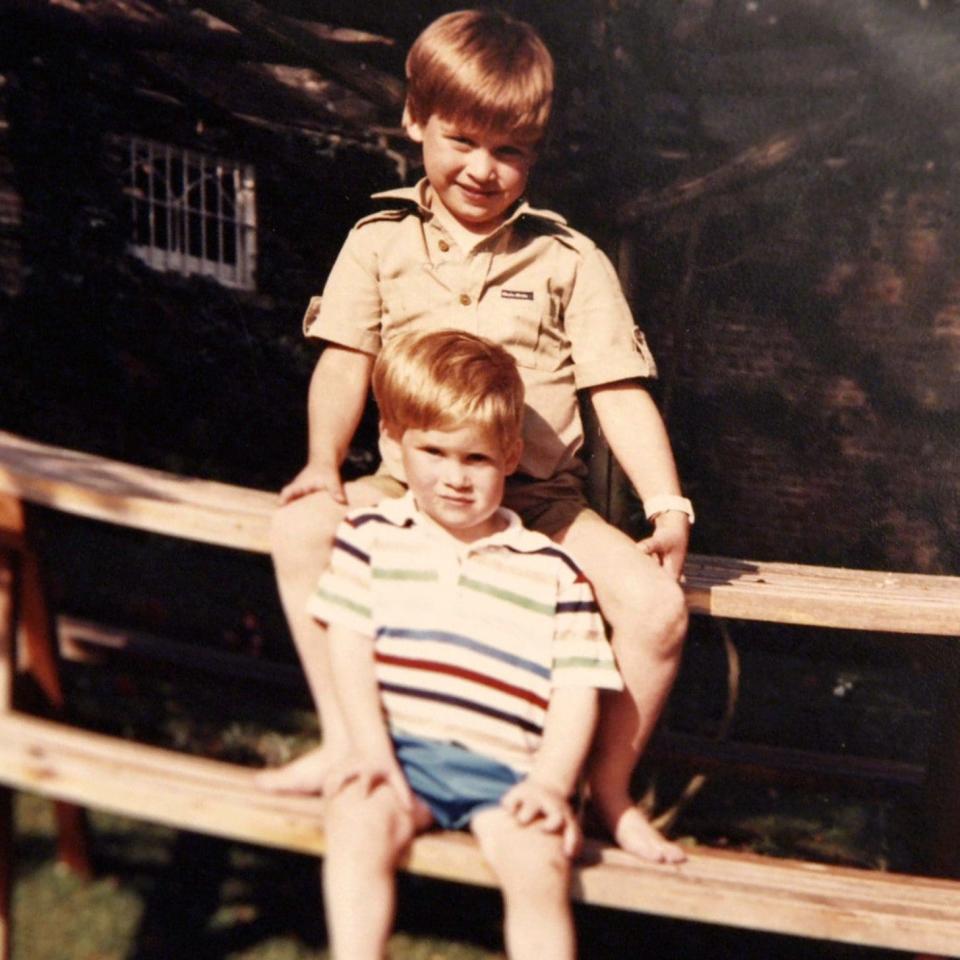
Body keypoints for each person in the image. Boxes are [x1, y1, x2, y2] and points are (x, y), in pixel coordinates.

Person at [259, 7, 693, 863]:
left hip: (540, 504)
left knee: (657, 612)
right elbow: (344, 363)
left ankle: (604, 792)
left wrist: (667, 504)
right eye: (462, 141)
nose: (484, 170)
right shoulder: (380, 242)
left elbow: (620, 389)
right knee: (299, 528)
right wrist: (320, 465)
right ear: (416, 119)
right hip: (411, 491)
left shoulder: (569, 260)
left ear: (535, 151)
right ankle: (351, 743)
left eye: (511, 152)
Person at [316, 329, 622, 960]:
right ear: (397, 448)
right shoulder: (370, 536)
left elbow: (575, 692)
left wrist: (550, 784)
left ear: (510, 457)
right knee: (355, 828)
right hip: (402, 756)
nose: (454, 478)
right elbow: (347, 645)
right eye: (434, 452)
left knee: (539, 870)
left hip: (507, 773)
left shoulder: (553, 570)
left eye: (476, 459)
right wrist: (370, 750)